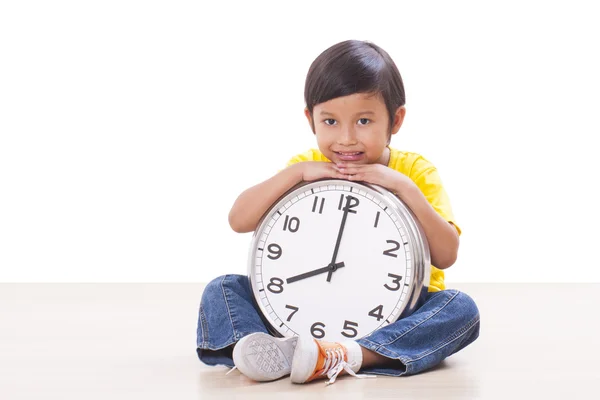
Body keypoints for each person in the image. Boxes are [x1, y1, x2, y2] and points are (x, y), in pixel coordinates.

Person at [196, 39, 480, 385]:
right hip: (301, 309)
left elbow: (447, 254)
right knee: (223, 288)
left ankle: (348, 355)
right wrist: (295, 175)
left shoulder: (414, 172)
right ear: (310, 119)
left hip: (404, 311)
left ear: (396, 119)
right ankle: (267, 350)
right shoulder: (305, 168)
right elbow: (238, 219)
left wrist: (404, 189)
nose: (346, 138)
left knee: (459, 309)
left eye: (363, 120)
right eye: (330, 121)